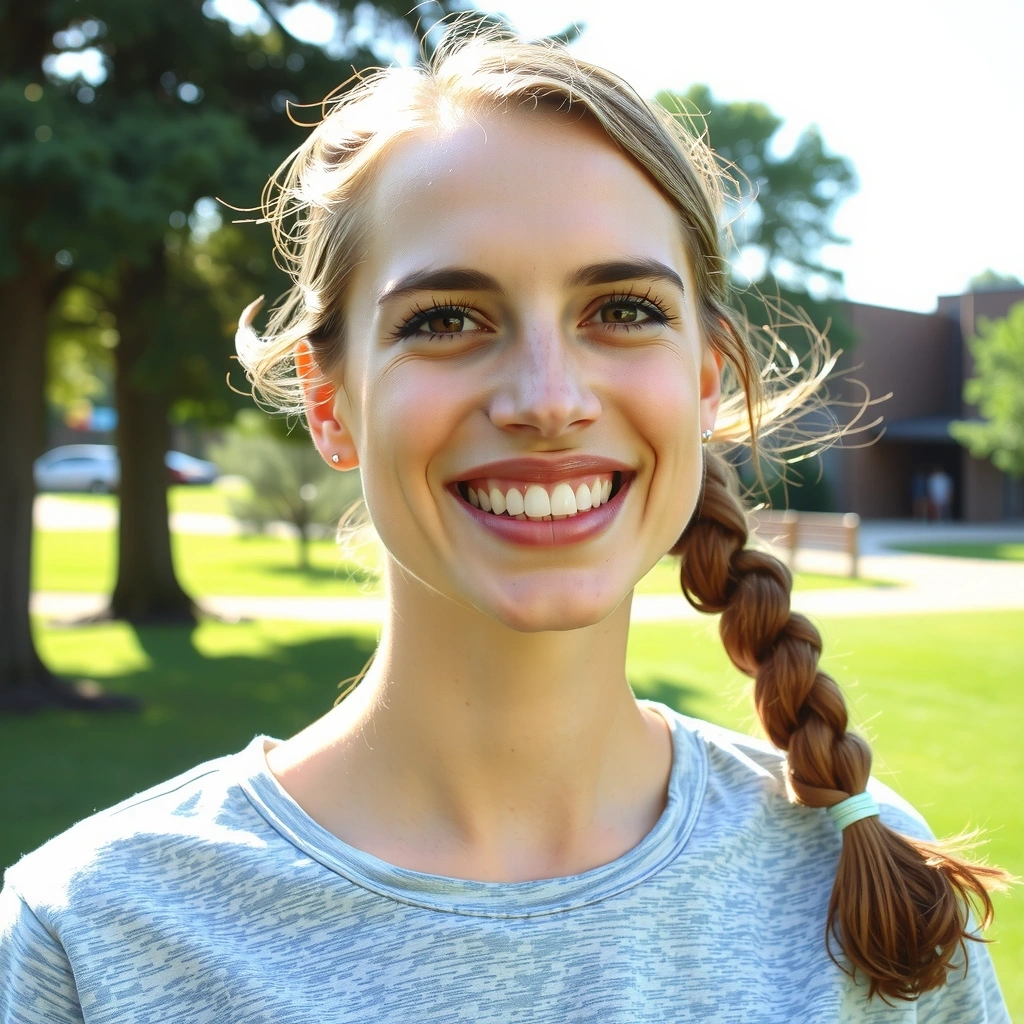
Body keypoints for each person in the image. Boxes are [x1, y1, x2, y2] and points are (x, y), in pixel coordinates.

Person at [0, 27, 1011, 1023]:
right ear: (330, 403)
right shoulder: (90, 934)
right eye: (444, 318)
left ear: (703, 383)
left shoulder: (862, 884)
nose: (547, 397)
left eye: (620, 308)